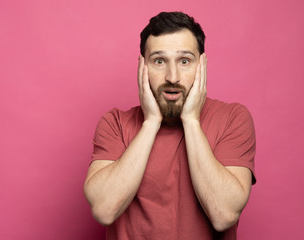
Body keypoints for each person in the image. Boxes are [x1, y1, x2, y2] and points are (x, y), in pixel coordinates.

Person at [83, 11, 256, 240]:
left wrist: (191, 120)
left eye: (184, 61)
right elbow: (104, 210)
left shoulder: (233, 118)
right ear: (142, 66)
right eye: (159, 61)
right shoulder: (115, 123)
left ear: (201, 65)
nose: (172, 77)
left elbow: (223, 214)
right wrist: (150, 122)